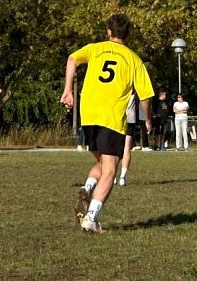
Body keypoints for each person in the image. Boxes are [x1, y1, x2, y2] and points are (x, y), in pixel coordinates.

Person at [61, 14, 154, 234]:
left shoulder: (95, 48)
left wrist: (67, 90)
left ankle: (87, 187)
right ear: (127, 35)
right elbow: (146, 96)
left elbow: (72, 59)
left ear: (108, 32)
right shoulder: (133, 59)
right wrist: (148, 120)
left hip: (89, 113)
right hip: (111, 117)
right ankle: (91, 219)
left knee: (104, 164)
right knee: (111, 171)